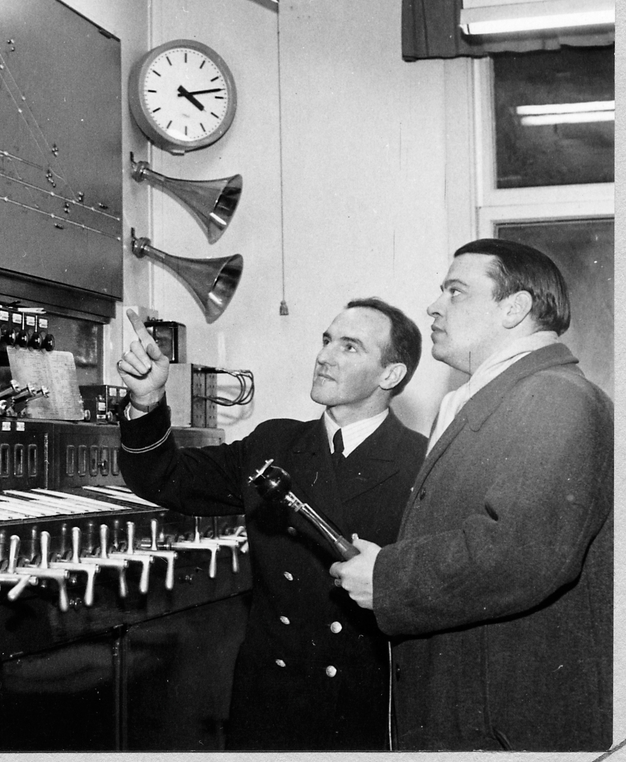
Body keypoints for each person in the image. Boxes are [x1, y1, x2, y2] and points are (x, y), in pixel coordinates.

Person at [330, 239, 613, 751]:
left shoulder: (556, 396)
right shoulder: (489, 396)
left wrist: (388, 578)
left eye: (456, 291)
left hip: (505, 729)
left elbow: (521, 550)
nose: (434, 306)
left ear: (514, 308)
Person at [116, 298, 425, 751]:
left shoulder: (422, 462)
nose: (324, 356)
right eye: (326, 340)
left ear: (390, 374)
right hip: (268, 702)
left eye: (350, 347)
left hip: (360, 711)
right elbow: (165, 477)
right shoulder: (274, 442)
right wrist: (146, 400)